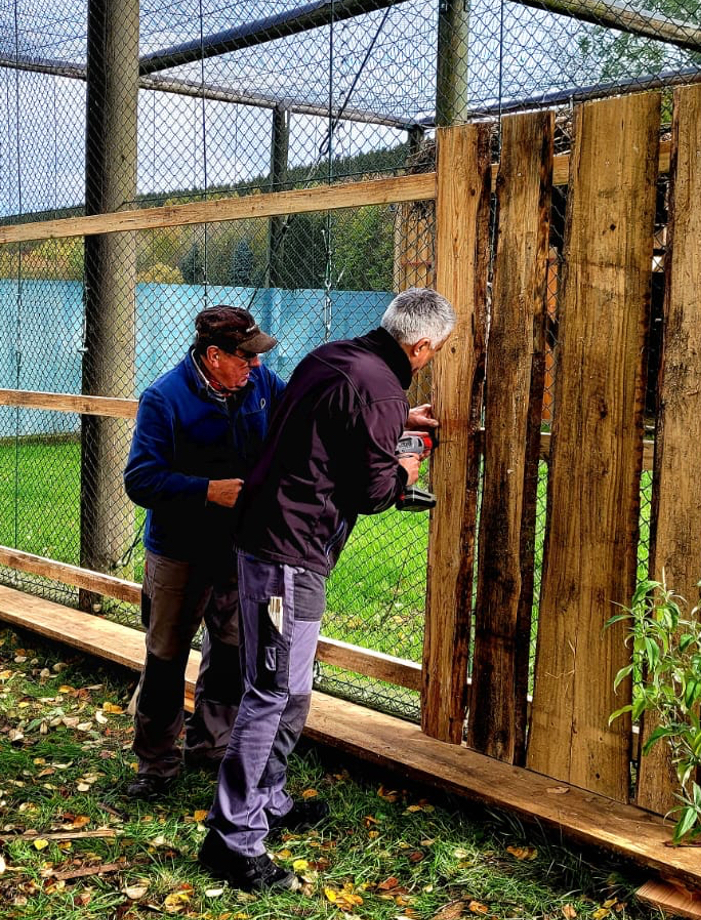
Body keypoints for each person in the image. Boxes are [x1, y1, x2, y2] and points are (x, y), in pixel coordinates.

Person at [198, 288, 454, 892]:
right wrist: (407, 466)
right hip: (288, 553)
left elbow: (334, 423)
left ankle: (270, 801)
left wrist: (394, 423)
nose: (434, 357)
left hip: (271, 536)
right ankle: (233, 841)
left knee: (291, 690)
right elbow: (372, 491)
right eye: (436, 350)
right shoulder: (383, 389)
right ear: (420, 347)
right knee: (272, 693)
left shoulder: (336, 357)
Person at [122, 306, 286, 799]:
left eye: (257, 358)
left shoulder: (260, 386)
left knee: (232, 653)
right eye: (245, 358)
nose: (256, 367)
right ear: (213, 356)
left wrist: (392, 415)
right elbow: (139, 479)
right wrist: (204, 491)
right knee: (166, 658)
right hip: (179, 552)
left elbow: (301, 412)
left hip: (238, 550)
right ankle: (156, 764)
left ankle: (211, 745)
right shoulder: (165, 399)